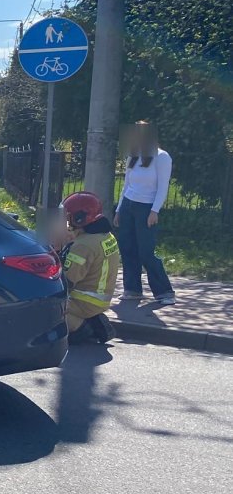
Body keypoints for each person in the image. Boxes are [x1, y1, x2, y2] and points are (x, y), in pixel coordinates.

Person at [114, 120, 175, 305]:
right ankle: (132, 289)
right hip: (128, 206)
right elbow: (126, 185)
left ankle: (165, 292)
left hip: (147, 208)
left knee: (146, 252)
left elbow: (163, 187)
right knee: (127, 248)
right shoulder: (132, 155)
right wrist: (118, 211)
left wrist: (154, 211)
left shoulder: (162, 157)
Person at [58, 191, 120, 344]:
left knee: (48, 311)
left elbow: (67, 281)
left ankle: (82, 327)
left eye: (68, 217)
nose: (66, 221)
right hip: (99, 298)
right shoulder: (105, 236)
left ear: (79, 219)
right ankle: (93, 319)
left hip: (84, 300)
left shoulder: (83, 246)